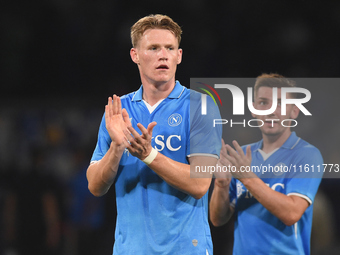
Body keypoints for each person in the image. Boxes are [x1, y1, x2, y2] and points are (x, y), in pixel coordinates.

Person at [86, 14, 221, 255]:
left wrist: (148, 155)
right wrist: (117, 148)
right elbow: (96, 186)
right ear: (135, 55)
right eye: (154, 48)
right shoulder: (119, 110)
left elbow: (200, 184)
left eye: (170, 48)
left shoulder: (201, 106)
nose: (163, 55)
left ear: (179, 56)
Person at [209, 73, 323, 255]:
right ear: (254, 110)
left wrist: (247, 178)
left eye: (280, 104)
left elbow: (291, 214)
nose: (271, 110)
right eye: (263, 102)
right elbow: (218, 219)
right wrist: (221, 185)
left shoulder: (307, 155)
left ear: (294, 111)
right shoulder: (242, 155)